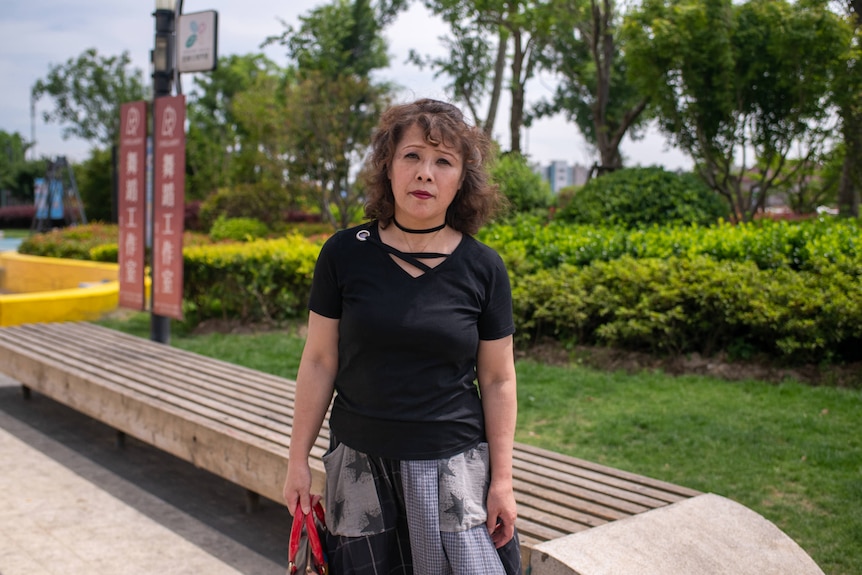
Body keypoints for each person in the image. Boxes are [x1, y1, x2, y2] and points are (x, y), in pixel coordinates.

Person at [283, 98, 520, 574]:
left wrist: (503, 481)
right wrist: (296, 459)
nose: (425, 173)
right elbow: (318, 361)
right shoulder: (343, 254)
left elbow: (497, 380)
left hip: (453, 467)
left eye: (443, 161)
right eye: (412, 155)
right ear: (388, 166)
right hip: (359, 466)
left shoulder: (484, 268)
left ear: (461, 180)